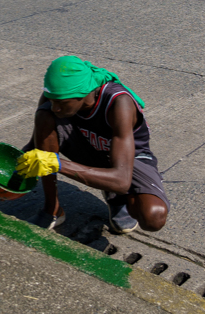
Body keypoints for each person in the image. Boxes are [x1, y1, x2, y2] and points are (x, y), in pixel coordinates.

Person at [16, 55, 168, 234]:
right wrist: (14, 172)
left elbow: (121, 180)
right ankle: (52, 209)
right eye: (52, 100)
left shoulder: (119, 103)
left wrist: (59, 163)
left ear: (82, 94)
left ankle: (118, 199)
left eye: (62, 103)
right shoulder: (56, 97)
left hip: (128, 161)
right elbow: (35, 145)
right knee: (44, 116)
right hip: (88, 148)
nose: (55, 107)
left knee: (152, 217)